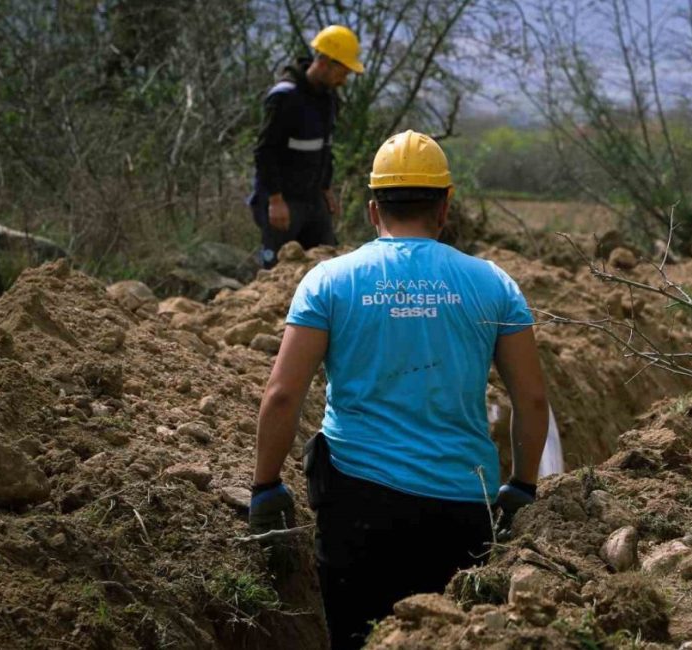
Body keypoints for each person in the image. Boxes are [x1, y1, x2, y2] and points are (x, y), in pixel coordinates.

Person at [248, 130, 550, 649]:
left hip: (356, 508)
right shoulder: (495, 284)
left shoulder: (328, 281)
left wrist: (265, 485)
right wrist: (522, 486)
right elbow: (533, 399)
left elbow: (281, 395)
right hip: (461, 507)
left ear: (371, 210)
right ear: (445, 206)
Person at [249, 25, 364, 269]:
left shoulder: (329, 99)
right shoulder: (285, 97)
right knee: (277, 271)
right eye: (342, 72)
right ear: (324, 63)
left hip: (312, 198)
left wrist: (326, 188)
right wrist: (275, 200)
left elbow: (324, 148)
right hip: (282, 202)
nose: (344, 80)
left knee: (328, 263)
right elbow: (265, 151)